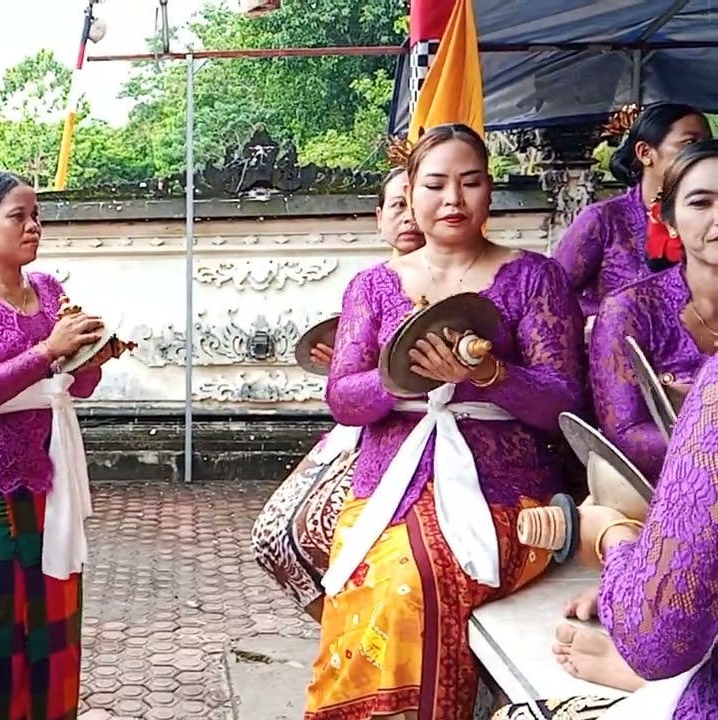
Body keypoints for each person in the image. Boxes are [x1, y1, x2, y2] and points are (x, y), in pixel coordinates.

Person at [303, 124, 585, 719]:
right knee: (375, 577)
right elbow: (343, 399)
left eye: (470, 182)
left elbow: (563, 402)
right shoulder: (372, 287)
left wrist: (489, 376)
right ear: (409, 192)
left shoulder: (535, 278)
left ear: (490, 190)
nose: (453, 199)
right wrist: (398, 377)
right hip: (389, 486)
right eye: (435, 185)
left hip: (507, 495)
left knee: (415, 581)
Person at [494, 136, 718, 720]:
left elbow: (657, 638)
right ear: (667, 218)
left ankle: (646, 621)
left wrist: (610, 538)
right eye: (702, 201)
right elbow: (621, 433)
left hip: (672, 515)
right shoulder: (630, 307)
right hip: (651, 486)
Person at [0, 169, 111, 719]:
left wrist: (91, 358)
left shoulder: (49, 290)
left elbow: (78, 386)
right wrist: (48, 351)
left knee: (54, 627)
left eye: (37, 217)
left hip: (50, 476)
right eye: (19, 217)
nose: (33, 227)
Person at [251, 167, 425, 621]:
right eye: (397, 205)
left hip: (428, 437)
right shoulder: (369, 285)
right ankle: (346, 634)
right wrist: (349, 370)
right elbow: (348, 388)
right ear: (379, 217)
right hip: (362, 431)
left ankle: (363, 636)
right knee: (274, 538)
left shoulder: (468, 280)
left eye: (416, 202)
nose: (409, 216)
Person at [553, 102, 709, 320]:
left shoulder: (708, 219)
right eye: (690, 143)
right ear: (645, 153)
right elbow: (553, 292)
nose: (701, 154)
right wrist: (614, 318)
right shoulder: (604, 219)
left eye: (707, 144)